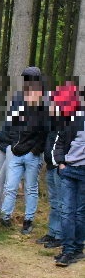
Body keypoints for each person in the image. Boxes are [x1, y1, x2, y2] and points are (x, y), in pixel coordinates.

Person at [0, 66, 49, 234]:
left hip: (32, 154)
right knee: (10, 186)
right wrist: (12, 145)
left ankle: (28, 220)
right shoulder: (19, 98)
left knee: (31, 188)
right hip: (16, 151)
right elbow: (12, 122)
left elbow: (46, 129)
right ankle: (5, 218)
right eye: (26, 79)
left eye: (31, 78)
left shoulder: (44, 101)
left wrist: (36, 150)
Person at [51, 82, 85, 266]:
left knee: (80, 213)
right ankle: (68, 250)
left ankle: (77, 249)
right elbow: (60, 142)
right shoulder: (70, 118)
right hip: (69, 171)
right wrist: (61, 163)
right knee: (66, 211)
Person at [36, 87, 67, 249]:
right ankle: (52, 232)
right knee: (54, 202)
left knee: (62, 202)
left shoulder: (67, 122)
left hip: (60, 167)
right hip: (50, 166)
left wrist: (62, 162)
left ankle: (61, 235)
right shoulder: (52, 122)